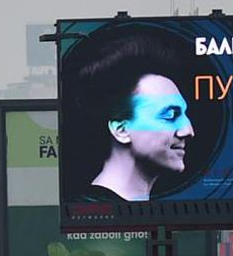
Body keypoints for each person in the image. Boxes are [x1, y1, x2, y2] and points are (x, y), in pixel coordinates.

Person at [64, 24, 196, 204]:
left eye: (184, 114)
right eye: (170, 115)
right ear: (121, 129)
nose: (188, 130)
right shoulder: (90, 211)